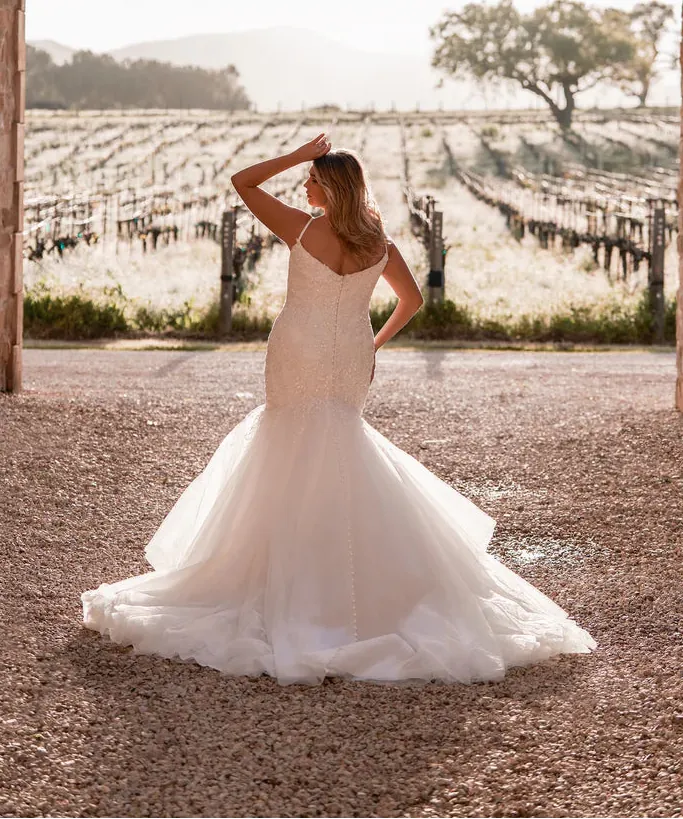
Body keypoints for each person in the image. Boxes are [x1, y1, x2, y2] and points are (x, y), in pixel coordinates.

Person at [81, 133, 596, 685]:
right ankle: (354, 579)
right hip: (351, 353)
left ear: (330, 187)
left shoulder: (302, 229)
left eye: (311, 179)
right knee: (341, 443)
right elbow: (412, 300)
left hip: (299, 347)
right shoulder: (379, 243)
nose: (304, 185)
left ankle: (293, 579)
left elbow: (242, 182)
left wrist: (300, 153)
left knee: (288, 442)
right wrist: (373, 343)